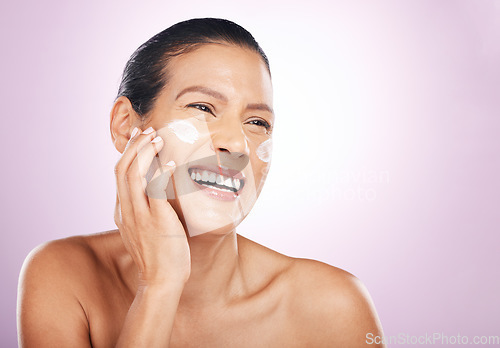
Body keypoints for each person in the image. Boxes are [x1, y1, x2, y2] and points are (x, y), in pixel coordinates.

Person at [17, 18, 385, 347]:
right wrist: (159, 287)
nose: (237, 144)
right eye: (202, 108)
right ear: (126, 125)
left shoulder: (332, 306)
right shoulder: (62, 275)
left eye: (257, 123)